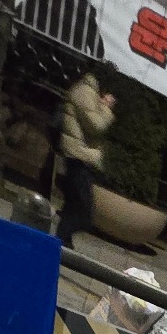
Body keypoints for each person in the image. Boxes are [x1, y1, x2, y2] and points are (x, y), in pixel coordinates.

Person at [57, 71, 115, 248]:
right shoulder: (85, 92)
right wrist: (106, 108)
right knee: (84, 211)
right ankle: (60, 238)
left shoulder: (87, 92)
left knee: (73, 205)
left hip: (80, 155)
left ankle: (62, 242)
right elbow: (96, 126)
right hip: (79, 156)